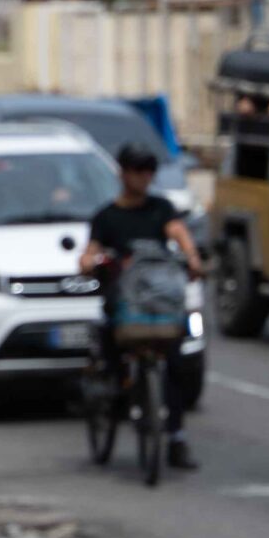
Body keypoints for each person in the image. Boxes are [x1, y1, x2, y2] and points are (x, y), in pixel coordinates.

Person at [80, 141, 207, 470]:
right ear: (123, 173)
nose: (144, 177)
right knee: (110, 345)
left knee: (177, 365)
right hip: (122, 300)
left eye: (149, 171)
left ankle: (176, 436)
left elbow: (178, 232)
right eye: (138, 170)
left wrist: (192, 258)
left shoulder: (161, 208)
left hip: (159, 301)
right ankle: (111, 395)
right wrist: (87, 261)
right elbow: (90, 250)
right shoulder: (107, 217)